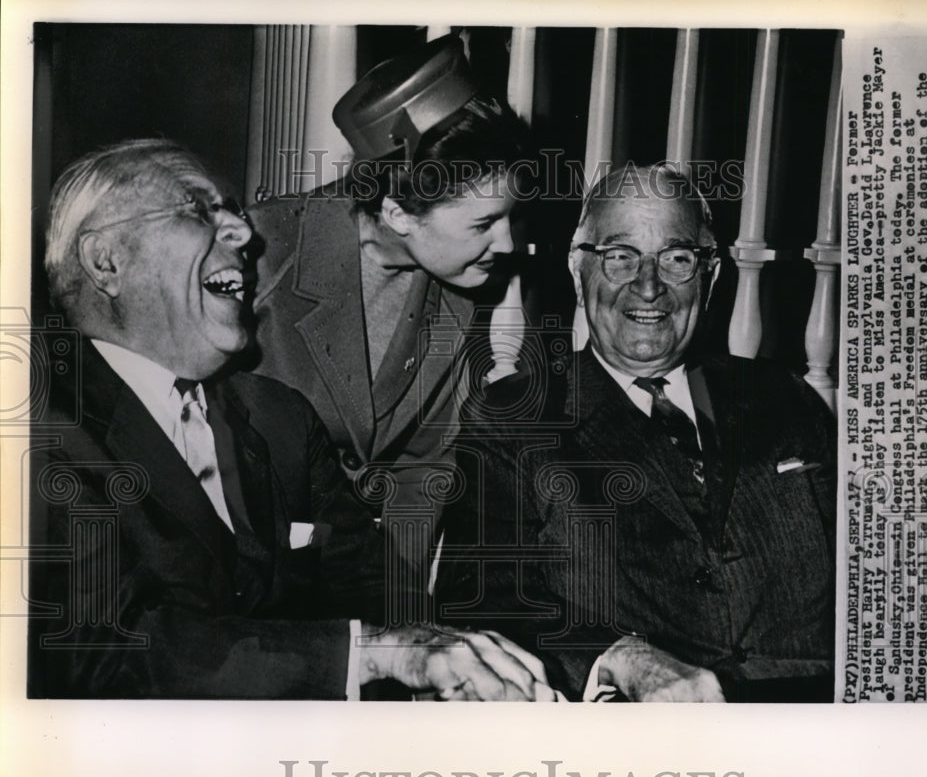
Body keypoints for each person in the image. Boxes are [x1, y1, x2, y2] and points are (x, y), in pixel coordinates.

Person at [27, 138, 555, 701]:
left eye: (230, 209)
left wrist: (447, 670)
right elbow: (98, 657)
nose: (243, 233)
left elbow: (369, 588)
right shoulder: (35, 429)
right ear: (107, 260)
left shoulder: (278, 419)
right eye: (200, 211)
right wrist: (374, 654)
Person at [434, 164, 837, 702]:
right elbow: (481, 599)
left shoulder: (784, 397)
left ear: (710, 276)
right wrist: (619, 657)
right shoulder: (515, 418)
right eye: (620, 257)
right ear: (579, 270)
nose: (648, 287)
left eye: (676, 258)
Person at [245, 36, 531, 570]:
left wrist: (394, 604)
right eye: (484, 224)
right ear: (398, 213)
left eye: (509, 218)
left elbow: (423, 466)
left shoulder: (461, 282)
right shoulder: (259, 256)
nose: (508, 244)